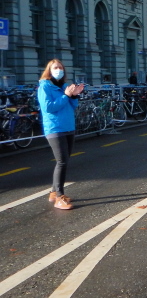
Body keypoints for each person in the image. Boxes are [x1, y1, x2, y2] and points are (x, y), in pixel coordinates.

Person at [38, 59, 85, 210]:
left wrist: (74, 95)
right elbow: (49, 107)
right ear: (49, 70)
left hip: (68, 126)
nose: (59, 70)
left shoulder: (65, 86)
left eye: (60, 67)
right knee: (62, 161)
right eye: (55, 67)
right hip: (54, 128)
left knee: (65, 160)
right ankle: (59, 197)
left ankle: (53, 192)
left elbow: (73, 106)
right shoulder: (45, 86)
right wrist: (66, 96)